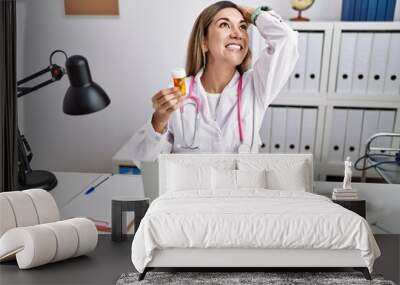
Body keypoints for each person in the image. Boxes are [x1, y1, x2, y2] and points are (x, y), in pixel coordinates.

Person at [129, 1, 299, 166]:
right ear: (204, 42)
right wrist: (158, 121)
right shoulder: (180, 91)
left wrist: (253, 14)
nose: (237, 34)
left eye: (242, 26)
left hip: (240, 192)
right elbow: (144, 161)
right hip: (190, 193)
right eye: (225, 25)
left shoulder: (256, 86)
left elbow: (287, 40)